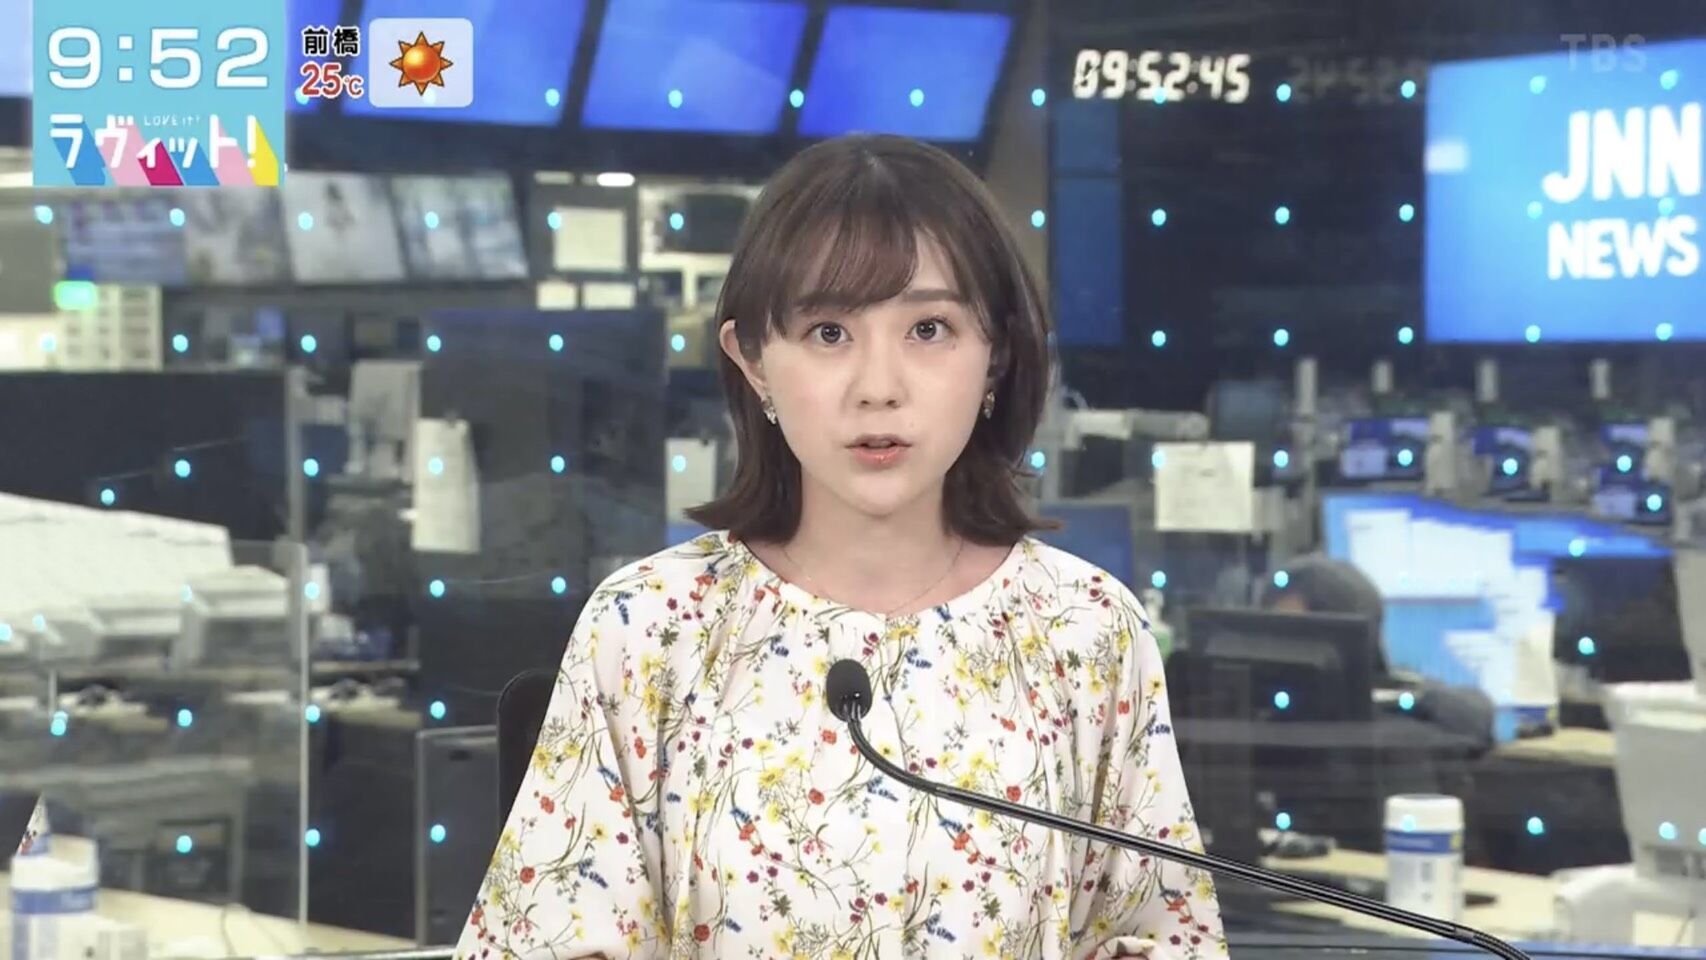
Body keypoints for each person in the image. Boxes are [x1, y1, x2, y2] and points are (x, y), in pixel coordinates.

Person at [456, 135, 1225, 959]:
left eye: (928, 328)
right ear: (753, 361)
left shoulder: (1087, 629)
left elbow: (1162, 938)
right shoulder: (650, 628)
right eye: (828, 332)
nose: (878, 387)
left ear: (997, 355)